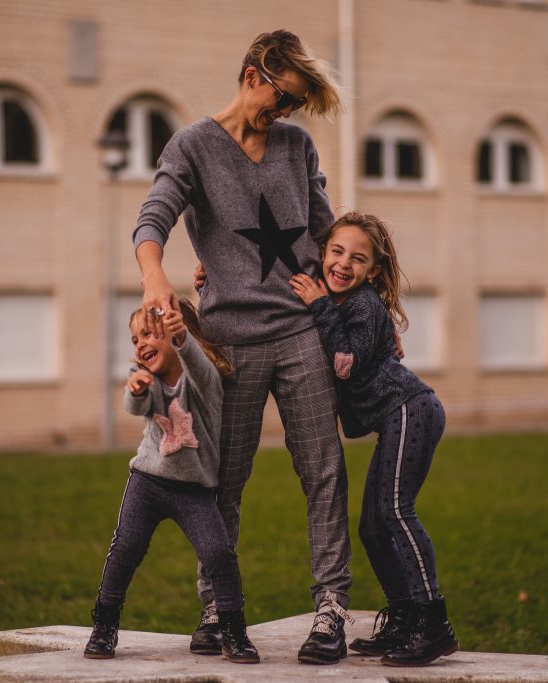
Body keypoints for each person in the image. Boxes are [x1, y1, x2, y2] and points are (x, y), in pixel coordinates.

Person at [132, 29, 353, 664]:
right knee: (224, 479)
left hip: (300, 334)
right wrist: (159, 276)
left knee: (324, 471)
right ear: (255, 72)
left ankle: (331, 611)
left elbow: (322, 229)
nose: (285, 113)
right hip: (229, 345)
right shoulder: (193, 146)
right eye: (283, 97)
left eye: (296, 104)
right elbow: (153, 219)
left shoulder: (296, 146)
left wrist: (356, 295)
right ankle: (218, 609)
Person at [289, 211, 459, 667]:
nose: (343, 264)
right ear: (322, 253)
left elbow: (345, 362)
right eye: (336, 251)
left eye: (357, 259)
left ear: (373, 271)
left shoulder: (360, 305)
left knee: (395, 513)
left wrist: (320, 305)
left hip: (410, 409)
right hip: (396, 416)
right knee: (371, 525)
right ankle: (403, 617)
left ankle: (433, 623)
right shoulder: (344, 303)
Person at [85, 302, 259, 664]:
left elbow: (195, 362)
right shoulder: (146, 380)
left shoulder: (204, 379)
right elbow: (136, 406)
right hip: (147, 482)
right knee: (125, 549)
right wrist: (134, 389)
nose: (140, 344)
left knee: (218, 553)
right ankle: (104, 627)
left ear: (178, 335)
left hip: (194, 490)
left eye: (148, 334)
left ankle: (234, 631)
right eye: (135, 338)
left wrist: (181, 336)